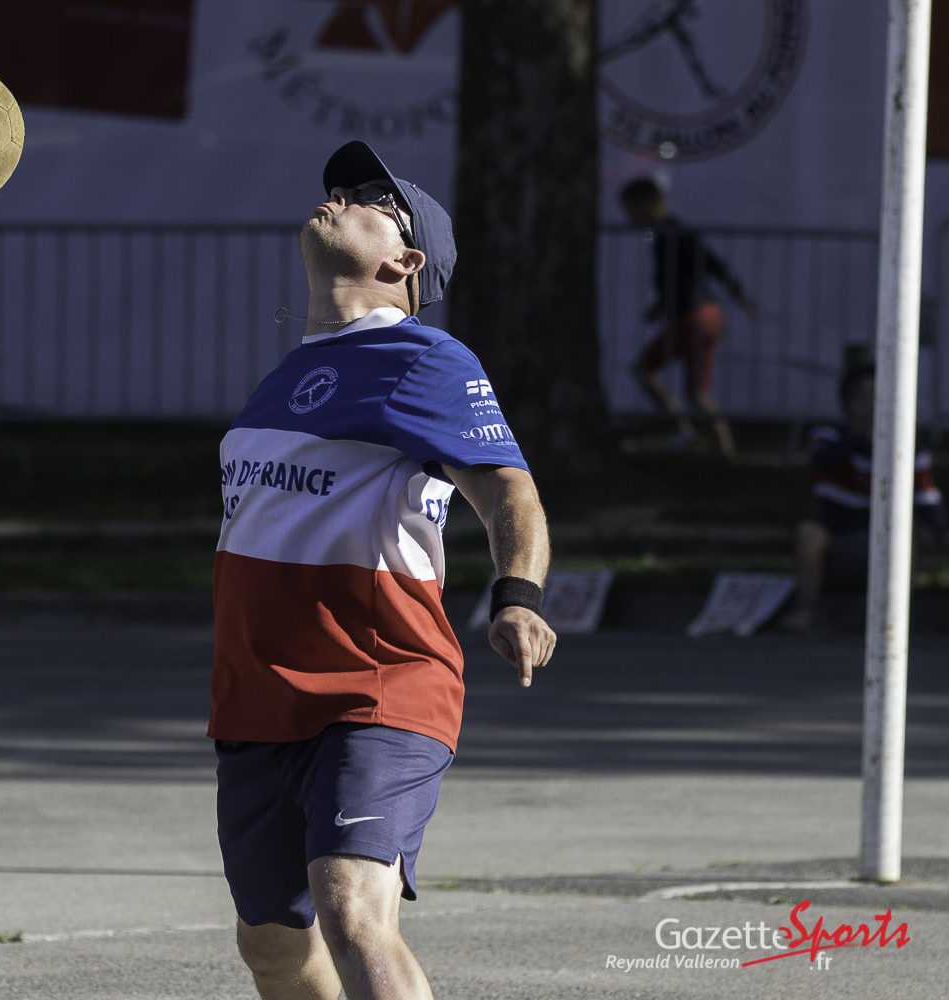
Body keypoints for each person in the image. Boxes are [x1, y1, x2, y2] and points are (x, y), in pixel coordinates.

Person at [212, 140, 555, 1000]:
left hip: (376, 687)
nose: (340, 194)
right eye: (342, 185)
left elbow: (508, 488)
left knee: (353, 911)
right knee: (270, 945)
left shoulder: (426, 359)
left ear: (406, 261)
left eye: (371, 195)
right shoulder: (284, 378)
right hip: (259, 699)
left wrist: (517, 594)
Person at [783, 353, 948, 633]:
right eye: (866, 397)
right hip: (837, 542)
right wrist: (864, 439)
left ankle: (894, 619)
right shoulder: (828, 436)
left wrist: (932, 533)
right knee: (809, 533)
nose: (874, 405)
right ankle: (805, 610)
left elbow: (929, 504)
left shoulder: (910, 449)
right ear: (848, 403)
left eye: (881, 396)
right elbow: (821, 458)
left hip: (887, 543)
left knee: (909, 534)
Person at [620, 177, 754, 455]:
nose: (628, 218)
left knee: (643, 370)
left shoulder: (672, 233)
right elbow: (683, 275)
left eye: (630, 209)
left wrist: (738, 292)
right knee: (697, 393)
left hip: (693, 317)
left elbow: (710, 263)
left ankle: (684, 432)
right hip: (709, 315)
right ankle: (726, 452)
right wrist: (661, 304)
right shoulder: (667, 233)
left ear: (645, 205)